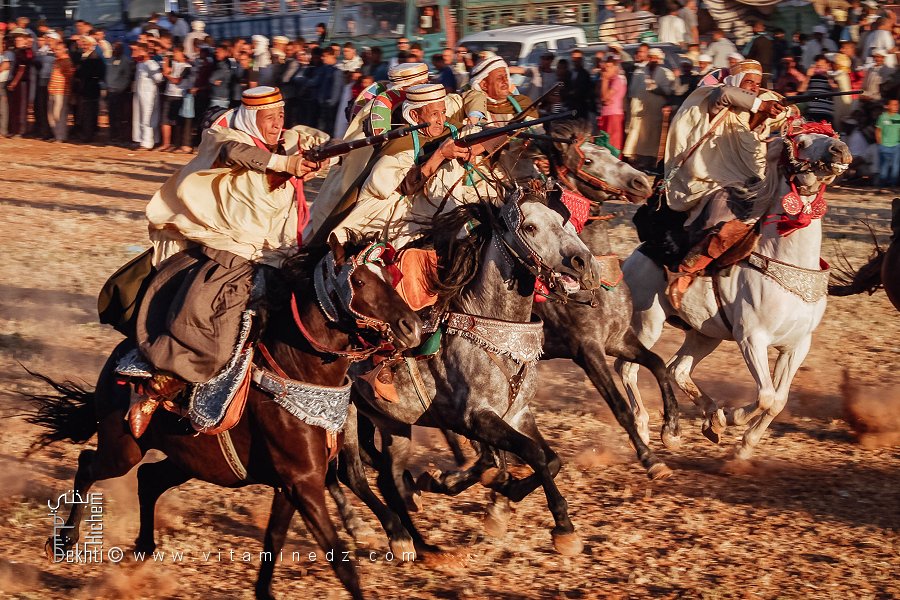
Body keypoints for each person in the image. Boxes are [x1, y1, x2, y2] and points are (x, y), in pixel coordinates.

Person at [134, 86, 326, 413]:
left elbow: (325, 148)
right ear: (252, 118)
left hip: (283, 252)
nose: (278, 123)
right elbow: (240, 155)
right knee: (211, 335)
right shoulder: (225, 139)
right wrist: (286, 164)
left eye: (281, 115)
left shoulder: (292, 140)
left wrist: (320, 157)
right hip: (233, 251)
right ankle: (158, 387)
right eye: (270, 118)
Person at [663, 59, 787, 308]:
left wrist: (779, 111)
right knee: (720, 217)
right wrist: (760, 103)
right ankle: (686, 272)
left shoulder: (755, 112)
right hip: (713, 180)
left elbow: (787, 115)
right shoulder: (716, 100)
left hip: (753, 182)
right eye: (748, 82)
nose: (753, 88)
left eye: (757, 84)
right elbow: (727, 94)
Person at [331, 83, 494, 248]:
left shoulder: (450, 128)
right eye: (434, 114)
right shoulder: (401, 141)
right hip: (405, 213)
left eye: (443, 112)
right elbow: (404, 187)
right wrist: (440, 155)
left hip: (447, 203)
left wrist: (474, 148)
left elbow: (493, 136)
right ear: (415, 116)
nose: (441, 120)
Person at [623, 46, 674, 170]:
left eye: (655, 58)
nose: (653, 60)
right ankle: (639, 160)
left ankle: (653, 162)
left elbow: (669, 91)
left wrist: (656, 88)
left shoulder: (666, 73)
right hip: (640, 110)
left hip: (656, 109)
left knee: (654, 136)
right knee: (639, 135)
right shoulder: (640, 71)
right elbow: (632, 91)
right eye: (651, 57)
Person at [462, 55, 535, 125]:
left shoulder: (522, 102)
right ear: (484, 85)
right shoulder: (469, 108)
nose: (505, 81)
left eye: (506, 76)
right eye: (499, 78)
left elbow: (537, 132)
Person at [132, 42, 163, 150]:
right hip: (140, 94)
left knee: (148, 118)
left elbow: (159, 78)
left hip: (149, 95)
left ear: (145, 51)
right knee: (139, 117)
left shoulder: (151, 64)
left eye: (138, 50)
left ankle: (148, 143)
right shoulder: (140, 64)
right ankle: (141, 140)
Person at [74, 35, 105, 143]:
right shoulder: (83, 56)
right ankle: (86, 132)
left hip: (90, 88)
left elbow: (99, 73)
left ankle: (88, 134)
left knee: (89, 112)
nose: (84, 46)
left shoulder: (94, 56)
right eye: (83, 44)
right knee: (85, 112)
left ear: (91, 45)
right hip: (84, 87)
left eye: (86, 44)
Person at [47, 36, 75, 142]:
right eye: (56, 49)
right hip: (53, 91)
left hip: (61, 92)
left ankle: (61, 136)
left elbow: (69, 78)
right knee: (51, 115)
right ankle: (56, 135)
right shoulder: (56, 61)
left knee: (59, 115)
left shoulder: (67, 62)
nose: (56, 51)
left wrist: (69, 92)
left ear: (64, 49)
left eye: (58, 49)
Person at [6, 29, 33, 137]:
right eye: (17, 40)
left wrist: (14, 82)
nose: (17, 41)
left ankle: (20, 130)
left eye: (20, 40)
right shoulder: (17, 51)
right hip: (18, 82)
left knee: (20, 106)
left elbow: (21, 70)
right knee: (15, 106)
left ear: (25, 41)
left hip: (21, 83)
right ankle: (15, 129)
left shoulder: (23, 52)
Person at [106, 41, 132, 145]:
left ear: (121, 50)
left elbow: (126, 77)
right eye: (113, 49)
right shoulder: (111, 59)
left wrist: (121, 88)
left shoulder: (125, 61)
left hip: (119, 92)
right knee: (111, 116)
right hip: (110, 91)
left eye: (116, 49)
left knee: (119, 116)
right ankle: (113, 136)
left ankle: (120, 137)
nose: (114, 51)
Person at [597, 54, 626, 151]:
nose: (606, 69)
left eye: (609, 67)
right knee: (604, 143)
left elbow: (605, 97)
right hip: (605, 115)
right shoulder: (609, 80)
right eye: (605, 67)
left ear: (615, 67)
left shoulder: (618, 80)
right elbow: (603, 98)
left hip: (613, 116)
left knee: (612, 145)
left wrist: (604, 79)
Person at [875, 98, 900, 189]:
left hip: (896, 146)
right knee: (884, 167)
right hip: (884, 146)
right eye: (893, 104)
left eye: (897, 104)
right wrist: (879, 143)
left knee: (895, 167)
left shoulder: (898, 118)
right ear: (888, 106)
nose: (896, 107)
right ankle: (882, 185)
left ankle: (893, 185)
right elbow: (878, 130)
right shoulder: (883, 117)